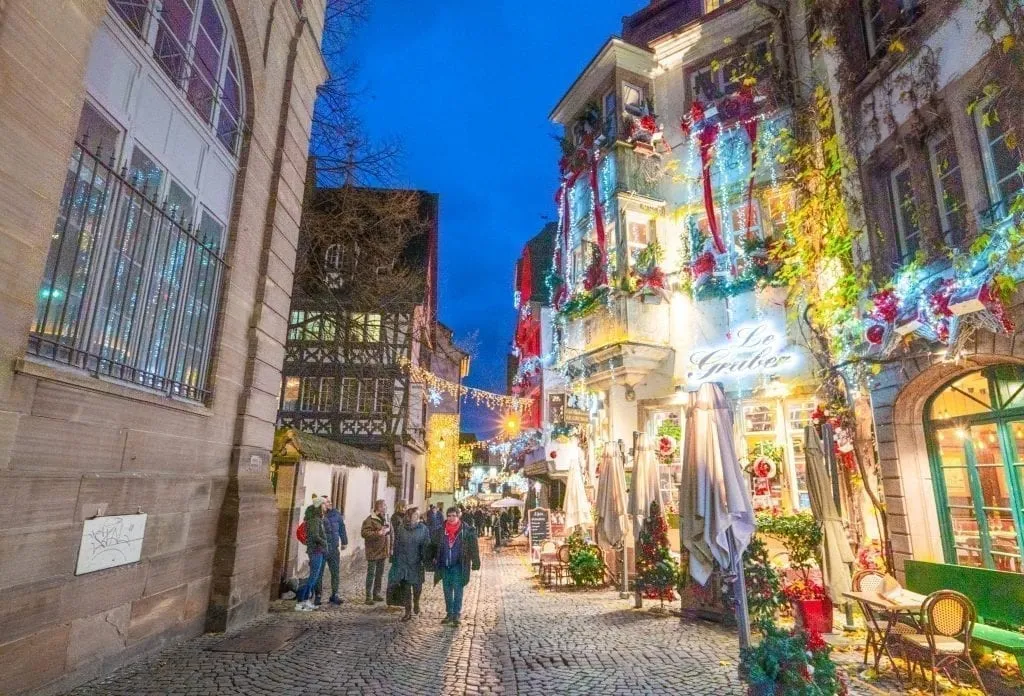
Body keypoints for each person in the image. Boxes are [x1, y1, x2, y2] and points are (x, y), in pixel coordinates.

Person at [432, 506, 480, 626]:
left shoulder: (467, 530)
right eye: (449, 516)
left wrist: (476, 561)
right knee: (447, 590)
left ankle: (456, 614)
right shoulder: (441, 530)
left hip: (459, 565)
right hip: (445, 565)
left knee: (458, 590)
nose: (451, 518)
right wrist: (432, 559)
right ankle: (449, 613)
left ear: (458, 516)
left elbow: (474, 547)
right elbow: (434, 546)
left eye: (454, 515)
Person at [390, 506, 430, 621]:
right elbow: (397, 544)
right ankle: (408, 611)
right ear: (409, 516)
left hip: (417, 562)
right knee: (405, 588)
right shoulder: (402, 528)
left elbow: (427, 545)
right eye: (414, 516)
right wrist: (395, 560)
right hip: (403, 562)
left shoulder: (423, 529)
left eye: (417, 516)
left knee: (417, 587)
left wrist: (426, 559)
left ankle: (416, 601)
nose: (416, 518)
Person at [295, 496, 327, 611]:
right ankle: (302, 601)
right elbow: (315, 536)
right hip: (316, 551)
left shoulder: (317, 518)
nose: (326, 505)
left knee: (314, 577)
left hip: (316, 550)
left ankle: (302, 600)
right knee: (313, 577)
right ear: (319, 506)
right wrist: (325, 542)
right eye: (324, 504)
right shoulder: (315, 520)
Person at [319, 496, 348, 605]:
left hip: (334, 549)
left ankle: (334, 595)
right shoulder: (316, 514)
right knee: (319, 573)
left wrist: (344, 541)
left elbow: (342, 527)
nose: (330, 503)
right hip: (321, 549)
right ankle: (318, 596)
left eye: (330, 501)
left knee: (335, 573)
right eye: (327, 502)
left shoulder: (336, 514)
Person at [361, 499, 390, 604]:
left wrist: (386, 531)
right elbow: (364, 533)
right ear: (379, 507)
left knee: (379, 574)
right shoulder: (370, 520)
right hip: (373, 551)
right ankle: (368, 596)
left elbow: (387, 531)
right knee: (371, 574)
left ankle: (376, 593)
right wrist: (378, 533)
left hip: (382, 550)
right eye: (384, 506)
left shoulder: (384, 518)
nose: (386, 507)